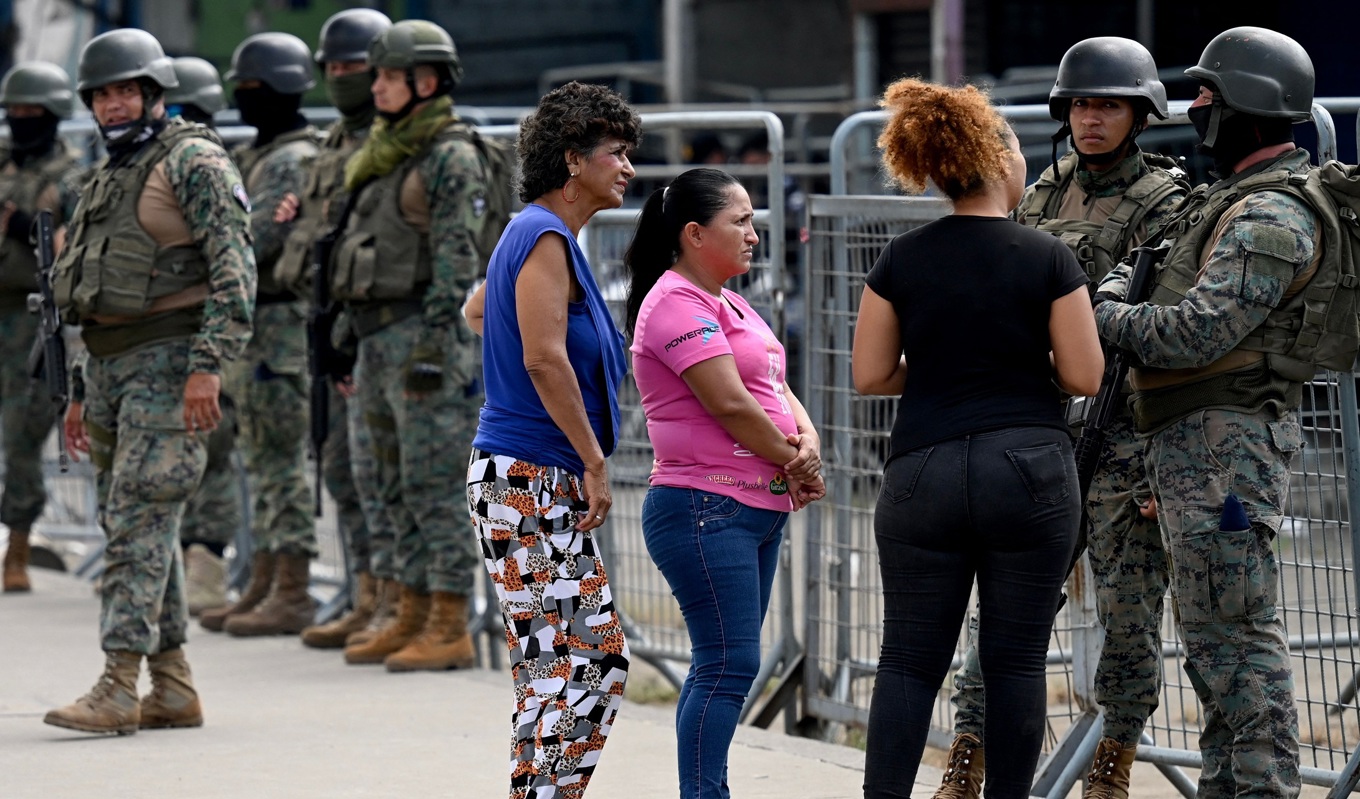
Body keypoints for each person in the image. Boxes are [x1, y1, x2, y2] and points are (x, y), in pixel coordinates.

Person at [935, 37, 1188, 799]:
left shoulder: (1167, 203)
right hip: (1043, 429)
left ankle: (1115, 754)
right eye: (1081, 104)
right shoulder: (1041, 192)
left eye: (1108, 104)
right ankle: (969, 752)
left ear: (1139, 114)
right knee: (1008, 603)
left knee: (1128, 605)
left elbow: (1158, 326)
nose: (1091, 118)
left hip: (1122, 431)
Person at [1093, 26, 1329, 799]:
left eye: (1206, 95)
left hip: (1227, 453)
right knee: (1211, 644)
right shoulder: (1222, 202)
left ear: (1248, 107)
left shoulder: (1271, 217)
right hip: (1192, 450)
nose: (1194, 107)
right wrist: (1122, 292)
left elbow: (1192, 331)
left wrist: (1103, 314)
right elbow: (1146, 266)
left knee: (1237, 642)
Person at [851, 78, 1104, 799]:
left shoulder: (899, 259)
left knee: (905, 661)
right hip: (1026, 467)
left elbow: (871, 374)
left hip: (922, 468)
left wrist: (941, 366)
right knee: (1015, 661)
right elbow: (1085, 373)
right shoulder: (1048, 257)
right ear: (998, 161)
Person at [44, 27, 255, 734]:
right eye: (102, 94)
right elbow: (90, 286)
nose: (113, 103)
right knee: (137, 523)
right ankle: (171, 683)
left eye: (126, 90)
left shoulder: (191, 159)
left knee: (138, 521)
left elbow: (234, 267)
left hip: (169, 366)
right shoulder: (108, 174)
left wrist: (208, 366)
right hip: (109, 370)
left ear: (154, 94)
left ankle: (117, 682)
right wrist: (79, 387)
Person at [462, 80, 640, 799]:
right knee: (595, 660)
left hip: (518, 476)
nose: (628, 167)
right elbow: (543, 356)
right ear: (573, 161)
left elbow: (481, 309)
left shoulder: (539, 236)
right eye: (616, 153)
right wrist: (594, 461)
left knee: (551, 666)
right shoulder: (542, 235)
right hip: (532, 478)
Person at [624, 166, 826, 798]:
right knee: (726, 664)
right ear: (692, 233)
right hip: (704, 506)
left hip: (750, 507)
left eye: (753, 220)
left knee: (731, 664)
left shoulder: (728, 300)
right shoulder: (673, 303)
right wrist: (795, 461)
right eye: (739, 221)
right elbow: (730, 405)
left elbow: (774, 385)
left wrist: (808, 438)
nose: (753, 234)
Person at [329, 19, 484, 672]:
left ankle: (449, 619)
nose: (379, 87)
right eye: (379, 76)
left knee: (430, 485)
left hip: (425, 340)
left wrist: (434, 347)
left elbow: (457, 258)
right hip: (377, 337)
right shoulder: (384, 150)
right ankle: (408, 609)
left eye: (391, 77)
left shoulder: (450, 154)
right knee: (383, 483)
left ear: (426, 82)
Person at [270, 7, 401, 651]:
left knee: (381, 476)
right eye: (335, 69)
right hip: (323, 326)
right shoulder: (328, 150)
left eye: (356, 67)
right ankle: (365, 592)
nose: (344, 78)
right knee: (344, 472)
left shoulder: (391, 145)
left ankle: (394, 602)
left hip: (370, 330)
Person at [197, 32, 321, 638]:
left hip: (278, 326)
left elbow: (249, 241)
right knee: (259, 461)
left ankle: (291, 586)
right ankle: (267, 579)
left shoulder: (292, 158)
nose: (246, 100)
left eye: (256, 89)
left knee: (279, 465)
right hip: (252, 329)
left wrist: (232, 235)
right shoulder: (257, 155)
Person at [158, 55, 246, 618]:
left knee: (212, 448)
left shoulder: (206, 168)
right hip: (171, 334)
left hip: (214, 331)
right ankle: (179, 569)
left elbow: (232, 261)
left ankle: (208, 567)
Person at [0, 61, 81, 593]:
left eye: (34, 112)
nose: (23, 120)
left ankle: (20, 543)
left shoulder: (70, 176)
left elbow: (75, 244)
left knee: (23, 433)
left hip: (31, 319)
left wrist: (25, 226)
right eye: (15, 112)